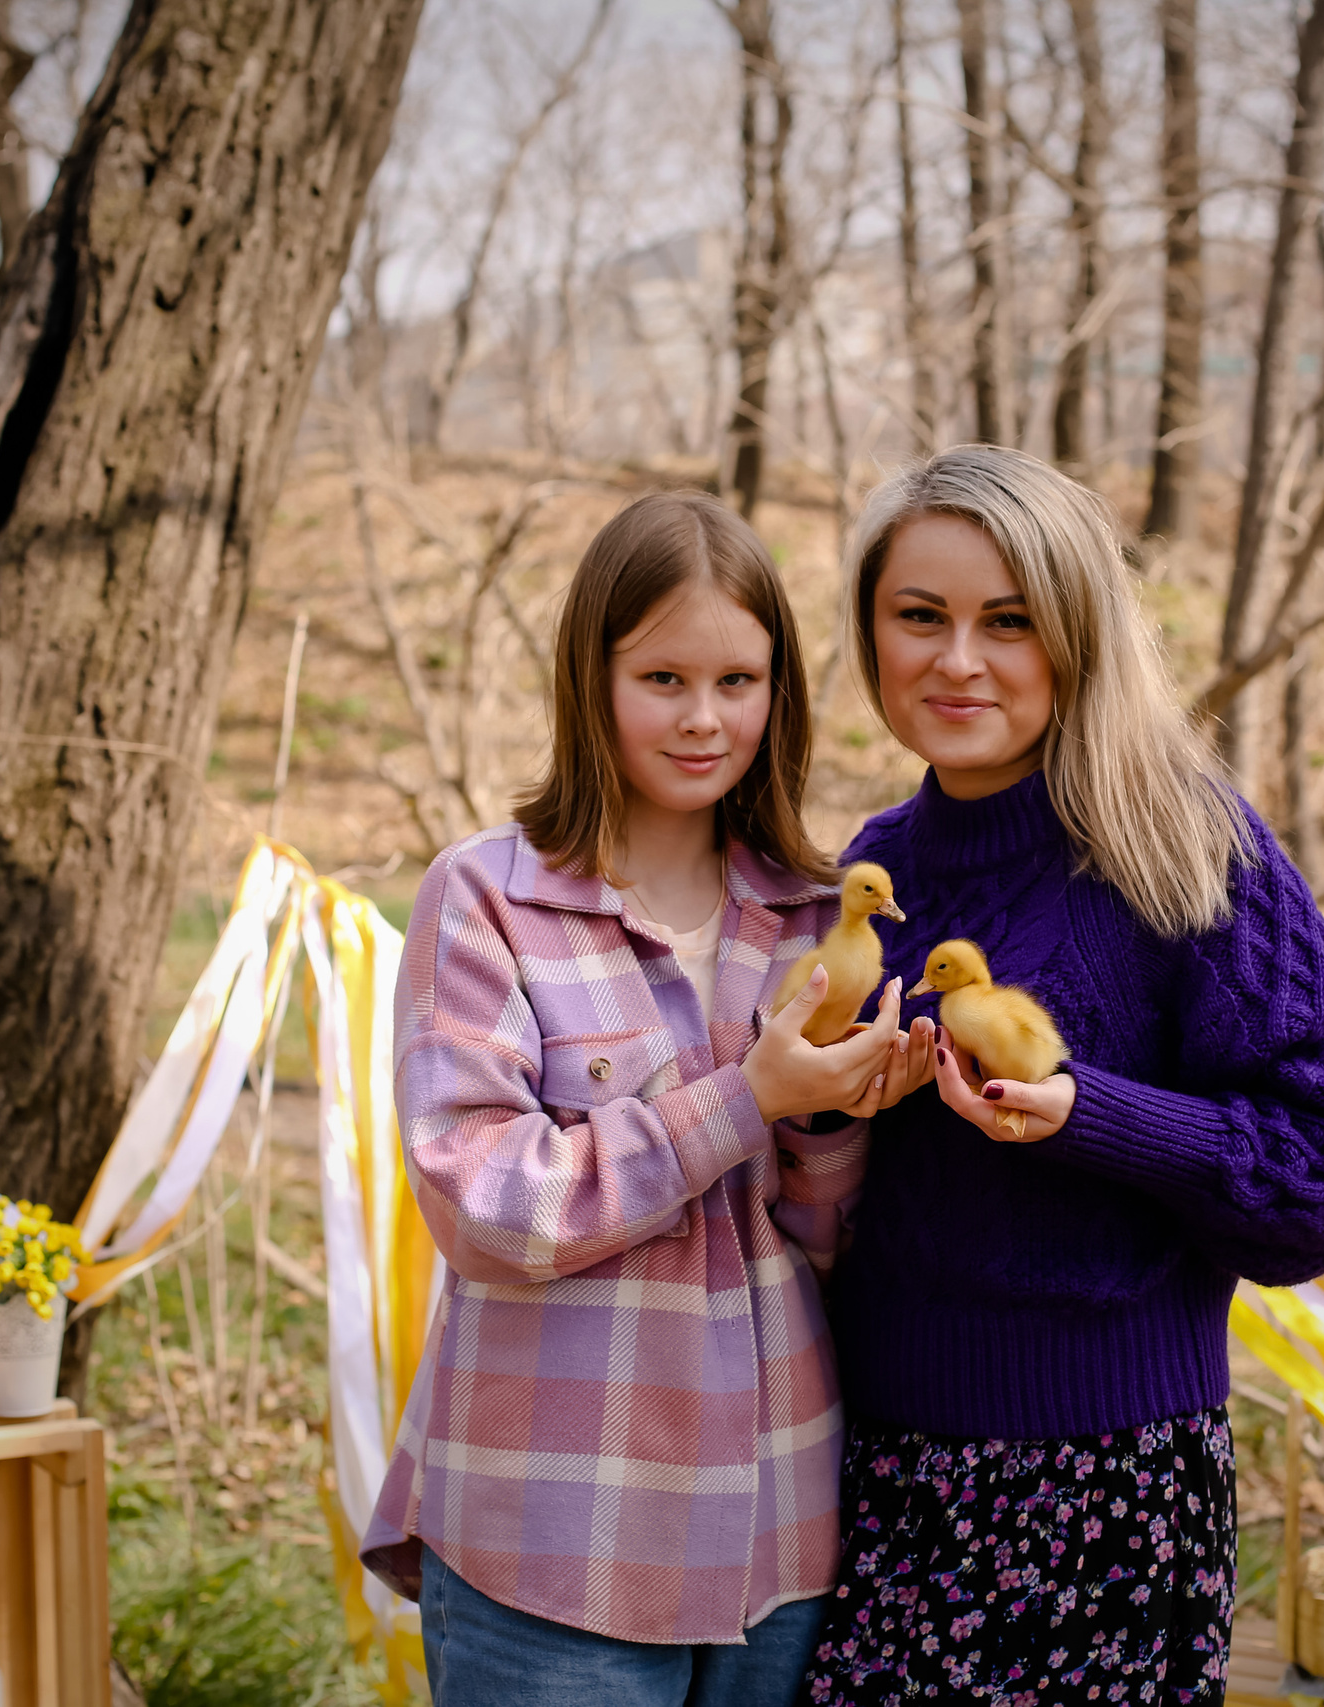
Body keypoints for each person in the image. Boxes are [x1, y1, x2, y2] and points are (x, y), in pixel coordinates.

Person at [800, 447, 1324, 1706]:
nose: (958, 660)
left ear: (1077, 634)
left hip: (1104, 1488)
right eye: (920, 615)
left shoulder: (1181, 845)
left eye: (1009, 621)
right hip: (881, 1474)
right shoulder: (877, 868)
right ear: (869, 630)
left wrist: (1092, 1117)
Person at [364, 489, 914, 1707]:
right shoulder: (488, 900)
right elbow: (483, 1207)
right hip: (557, 1538)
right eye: (662, 679)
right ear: (592, 679)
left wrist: (830, 1118)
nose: (705, 718)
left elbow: (829, 1241)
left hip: (780, 1533)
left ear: (778, 691)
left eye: (737, 681)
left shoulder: (818, 918)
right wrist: (743, 1097)